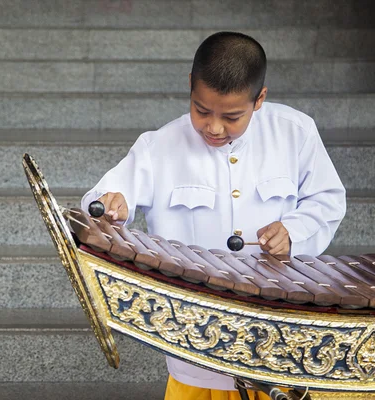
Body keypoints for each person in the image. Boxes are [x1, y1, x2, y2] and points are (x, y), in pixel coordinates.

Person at [81, 31, 346, 400]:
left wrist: (294, 232)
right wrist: (112, 206)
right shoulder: (159, 147)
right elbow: (97, 202)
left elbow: (328, 199)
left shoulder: (296, 132)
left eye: (232, 116)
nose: (214, 127)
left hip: (276, 331)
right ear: (191, 86)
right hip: (196, 342)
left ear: (260, 99)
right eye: (201, 110)